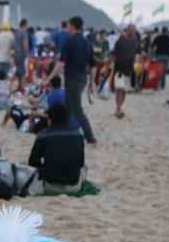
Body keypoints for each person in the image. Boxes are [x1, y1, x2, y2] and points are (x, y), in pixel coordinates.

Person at [43, 16, 98, 145]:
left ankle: (91, 138)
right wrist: (91, 83)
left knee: (77, 110)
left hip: (72, 80)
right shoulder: (88, 43)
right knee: (67, 107)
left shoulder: (69, 41)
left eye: (68, 25)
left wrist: (49, 78)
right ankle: (65, 132)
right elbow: (93, 66)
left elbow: (61, 64)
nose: (67, 27)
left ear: (72, 26)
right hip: (82, 79)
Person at [28, 103, 86, 193]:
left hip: (49, 185)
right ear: (67, 118)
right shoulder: (78, 134)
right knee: (85, 167)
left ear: (50, 119)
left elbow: (33, 161)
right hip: (74, 185)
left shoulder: (43, 134)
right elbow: (81, 162)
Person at [110, 24, 138, 118]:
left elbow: (135, 54)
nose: (133, 32)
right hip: (119, 69)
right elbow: (114, 54)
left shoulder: (134, 41)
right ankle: (118, 109)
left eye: (134, 31)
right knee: (119, 89)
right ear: (127, 30)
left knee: (124, 90)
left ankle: (119, 107)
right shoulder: (120, 41)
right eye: (131, 30)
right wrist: (110, 66)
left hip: (129, 69)